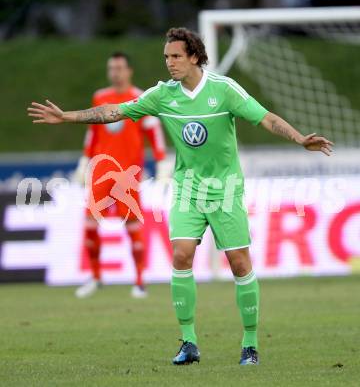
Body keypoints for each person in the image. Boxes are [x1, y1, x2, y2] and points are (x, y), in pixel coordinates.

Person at [27, 27, 333, 365]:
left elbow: (265, 118)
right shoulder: (162, 95)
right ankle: (188, 342)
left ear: (194, 57)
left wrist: (299, 138)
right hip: (187, 189)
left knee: (239, 262)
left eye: (175, 56)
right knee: (181, 256)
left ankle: (250, 344)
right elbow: (115, 111)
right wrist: (68, 116)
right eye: (166, 57)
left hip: (225, 190)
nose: (170, 63)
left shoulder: (224, 89)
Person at [73, 51, 167, 299]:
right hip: (101, 173)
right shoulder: (100, 97)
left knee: (133, 226)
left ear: (129, 71)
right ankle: (95, 277)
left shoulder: (139, 98)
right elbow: (92, 133)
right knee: (90, 225)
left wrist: (161, 163)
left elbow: (153, 131)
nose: (114, 73)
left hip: (128, 174)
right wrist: (84, 161)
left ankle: (139, 281)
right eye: (111, 68)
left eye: (119, 68)